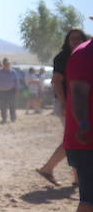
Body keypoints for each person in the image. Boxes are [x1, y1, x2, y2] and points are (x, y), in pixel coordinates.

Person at [61, 34, 93, 212]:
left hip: (84, 136)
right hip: (86, 138)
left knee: (89, 196)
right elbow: (79, 91)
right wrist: (83, 123)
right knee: (89, 199)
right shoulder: (85, 53)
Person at [38, 28, 87, 185]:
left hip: (79, 104)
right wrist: (64, 103)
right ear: (67, 41)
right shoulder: (63, 57)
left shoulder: (83, 55)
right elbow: (57, 81)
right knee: (73, 138)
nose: (76, 41)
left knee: (79, 139)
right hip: (67, 103)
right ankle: (48, 168)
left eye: (79, 38)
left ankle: (77, 178)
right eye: (72, 38)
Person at [0, 58, 20, 124]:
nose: (7, 65)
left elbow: (16, 82)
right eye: (6, 64)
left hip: (11, 91)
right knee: (3, 106)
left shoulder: (13, 72)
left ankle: (13, 118)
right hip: (2, 91)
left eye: (8, 64)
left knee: (12, 105)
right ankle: (4, 119)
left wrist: (17, 91)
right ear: (3, 65)